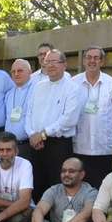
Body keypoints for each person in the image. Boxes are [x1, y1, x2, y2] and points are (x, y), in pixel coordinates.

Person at [26, 50, 85, 202]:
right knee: (36, 183)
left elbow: (69, 119)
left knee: (57, 185)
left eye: (54, 61)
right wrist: (32, 134)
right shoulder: (38, 86)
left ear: (64, 64)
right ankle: (37, 221)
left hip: (58, 146)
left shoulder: (73, 88)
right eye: (47, 62)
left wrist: (43, 134)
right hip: (35, 144)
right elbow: (29, 113)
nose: (50, 65)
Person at [72, 46, 112, 188]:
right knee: (80, 189)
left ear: (102, 61)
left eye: (96, 58)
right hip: (79, 147)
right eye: (89, 57)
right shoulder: (73, 83)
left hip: (104, 148)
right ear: (83, 60)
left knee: (103, 189)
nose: (92, 61)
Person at [3, 59, 34, 159]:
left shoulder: (36, 91)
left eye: (20, 71)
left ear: (30, 72)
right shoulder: (9, 93)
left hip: (28, 145)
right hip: (9, 146)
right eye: (13, 71)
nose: (16, 74)